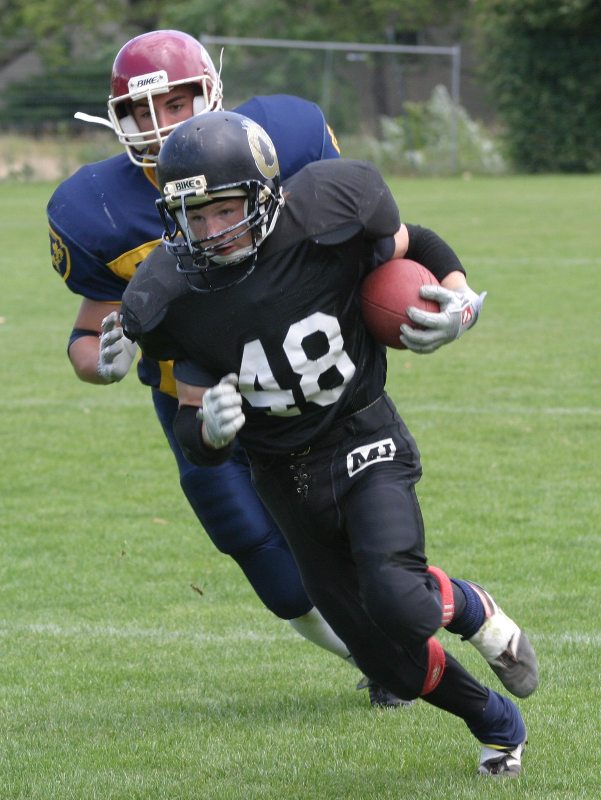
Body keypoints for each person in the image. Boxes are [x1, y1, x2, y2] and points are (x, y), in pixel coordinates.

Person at [120, 110, 538, 777]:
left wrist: (461, 300)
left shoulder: (324, 216)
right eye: (193, 216)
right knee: (385, 660)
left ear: (263, 193)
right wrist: (210, 432)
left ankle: (471, 606)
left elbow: (416, 240)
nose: (210, 230)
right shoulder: (171, 291)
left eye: (224, 209)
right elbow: (192, 428)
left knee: (399, 600)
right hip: (281, 476)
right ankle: (494, 723)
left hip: (362, 434)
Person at [47, 29, 409, 707]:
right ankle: (375, 654)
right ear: (114, 119)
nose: (159, 124)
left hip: (301, 388)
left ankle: (401, 651)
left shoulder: (282, 141)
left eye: (175, 102)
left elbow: (369, 243)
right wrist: (101, 364)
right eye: (139, 111)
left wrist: (432, 298)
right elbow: (88, 333)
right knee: (270, 568)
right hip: (193, 398)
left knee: (358, 533)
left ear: (211, 92)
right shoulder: (98, 210)